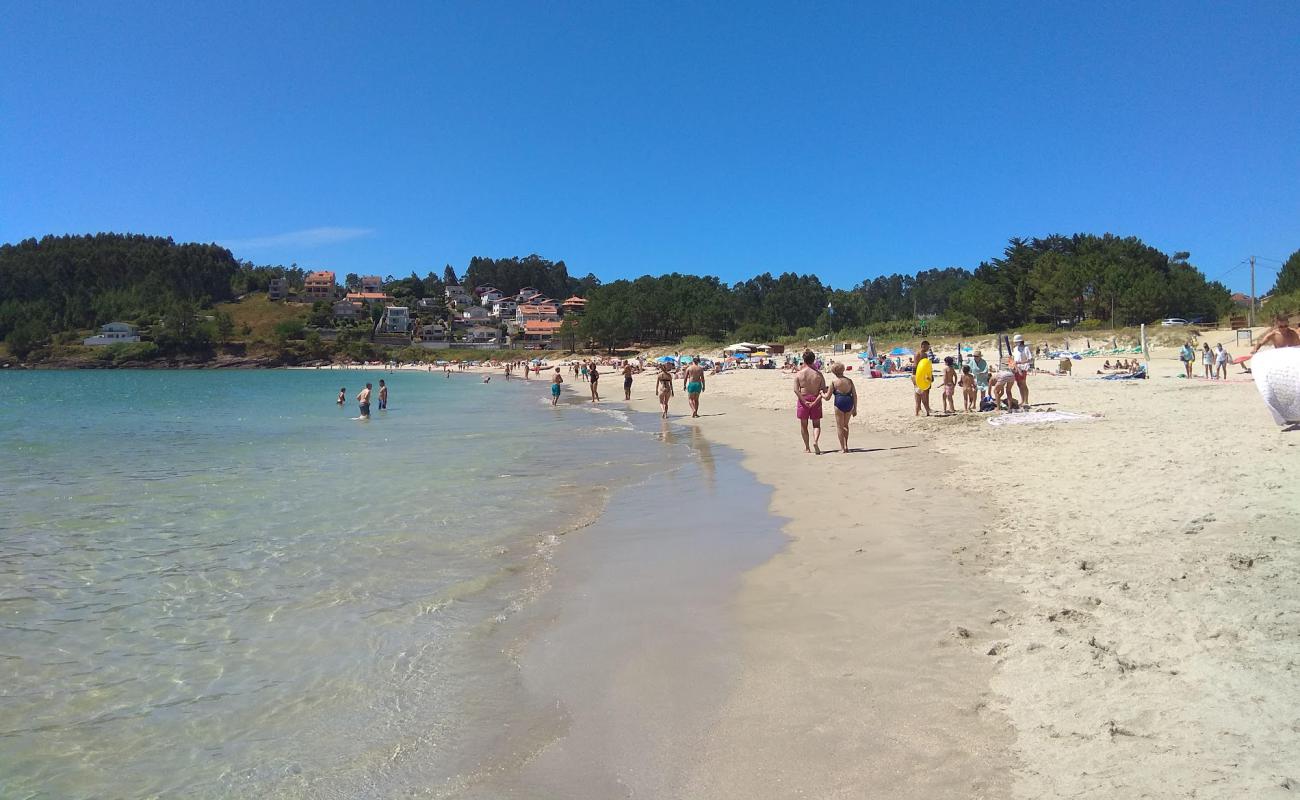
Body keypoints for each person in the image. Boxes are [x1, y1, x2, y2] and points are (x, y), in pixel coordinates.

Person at [794, 349, 827, 453]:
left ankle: (807, 448)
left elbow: (796, 390)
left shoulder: (799, 374)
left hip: (803, 399)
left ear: (804, 360)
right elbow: (823, 390)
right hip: (815, 398)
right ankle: (816, 441)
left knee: (804, 425)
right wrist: (815, 401)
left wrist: (804, 401)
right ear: (814, 360)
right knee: (816, 424)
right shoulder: (818, 374)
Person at [822, 362, 857, 453]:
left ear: (833, 372)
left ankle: (842, 448)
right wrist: (855, 408)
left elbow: (827, 398)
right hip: (849, 402)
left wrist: (821, 394)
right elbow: (855, 395)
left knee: (839, 426)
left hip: (839, 402)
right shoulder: (849, 381)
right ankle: (846, 445)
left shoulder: (834, 382)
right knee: (845, 425)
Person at [912, 340, 933, 417]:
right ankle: (919, 409)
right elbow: (916, 366)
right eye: (927, 346)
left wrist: (930, 375)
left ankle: (926, 409)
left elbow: (926, 366)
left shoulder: (925, 355)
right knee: (919, 393)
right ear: (923, 346)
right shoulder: (918, 354)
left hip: (924, 375)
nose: (928, 348)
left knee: (925, 392)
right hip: (917, 375)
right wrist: (915, 378)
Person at [1011, 334, 1032, 406]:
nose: (1016, 343)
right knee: (1019, 384)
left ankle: (1026, 401)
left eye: (1017, 342)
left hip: (1023, 368)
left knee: (1023, 384)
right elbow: (1014, 359)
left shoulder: (1026, 348)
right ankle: (1022, 400)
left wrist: (1020, 362)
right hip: (1016, 368)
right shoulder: (1015, 349)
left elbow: (1029, 359)